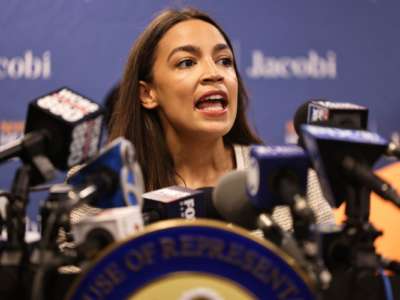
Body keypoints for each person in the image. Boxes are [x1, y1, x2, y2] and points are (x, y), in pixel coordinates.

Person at [83, 7, 334, 230]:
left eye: (224, 61)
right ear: (148, 94)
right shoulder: (98, 187)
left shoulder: (291, 182)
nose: (214, 74)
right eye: (187, 62)